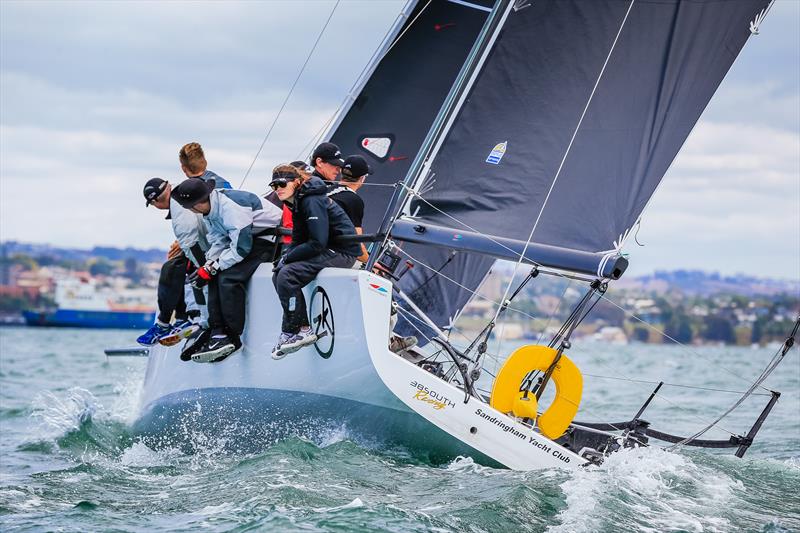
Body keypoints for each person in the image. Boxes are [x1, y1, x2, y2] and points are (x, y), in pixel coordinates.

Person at [172, 178, 282, 363]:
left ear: (198, 203)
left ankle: (232, 337)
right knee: (212, 277)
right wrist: (207, 267)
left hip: (267, 239)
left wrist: (214, 267)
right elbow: (218, 241)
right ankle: (216, 331)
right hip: (247, 239)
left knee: (228, 278)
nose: (188, 210)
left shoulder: (231, 208)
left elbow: (241, 249)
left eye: (189, 206)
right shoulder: (210, 210)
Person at [269, 164, 360, 359]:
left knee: (287, 274)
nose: (278, 189)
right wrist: (285, 258)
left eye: (282, 184)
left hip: (342, 252)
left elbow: (317, 242)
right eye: (274, 185)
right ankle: (299, 329)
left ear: (296, 182)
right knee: (278, 273)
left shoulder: (310, 200)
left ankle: (295, 330)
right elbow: (298, 237)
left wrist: (289, 258)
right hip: (326, 247)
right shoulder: (295, 200)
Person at [137, 178, 208, 347]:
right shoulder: (180, 195)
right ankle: (182, 318)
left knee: (173, 267)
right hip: (211, 243)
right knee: (175, 266)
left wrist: (203, 268)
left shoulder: (178, 208)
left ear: (154, 201)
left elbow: (190, 240)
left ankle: (173, 321)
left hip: (210, 248)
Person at [327, 155, 370, 263]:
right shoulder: (354, 200)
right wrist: (371, 264)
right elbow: (356, 243)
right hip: (332, 254)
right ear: (362, 178)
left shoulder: (327, 190)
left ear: (342, 173)